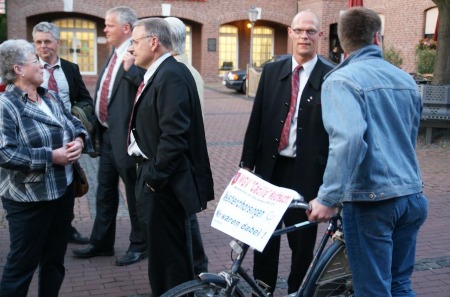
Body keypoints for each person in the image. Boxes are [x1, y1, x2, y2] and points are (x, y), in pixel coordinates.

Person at [307, 7, 428, 296]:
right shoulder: (406, 80)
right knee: (399, 284)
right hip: (411, 196)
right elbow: (408, 137)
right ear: (377, 37)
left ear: (342, 42)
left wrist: (328, 197)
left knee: (372, 290)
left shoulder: (341, 80)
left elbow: (348, 139)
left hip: (372, 201)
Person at [239, 10, 333, 294]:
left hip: (307, 173)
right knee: (263, 236)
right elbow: (256, 120)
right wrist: (246, 165)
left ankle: (297, 290)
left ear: (319, 36)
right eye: (300, 30)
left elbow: (334, 134)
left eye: (311, 31)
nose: (305, 36)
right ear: (290, 33)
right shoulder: (271, 71)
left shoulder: (331, 76)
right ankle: (263, 288)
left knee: (302, 241)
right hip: (270, 169)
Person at [127, 17, 214, 296]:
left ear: (154, 42)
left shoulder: (171, 74)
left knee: (170, 262)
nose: (131, 48)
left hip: (163, 185)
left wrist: (153, 180)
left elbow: (174, 137)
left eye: (135, 42)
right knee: (164, 257)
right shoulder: (161, 72)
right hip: (157, 179)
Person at [0, 39, 92, 297]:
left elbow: (74, 123)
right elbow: (4, 152)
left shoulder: (49, 96)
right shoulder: (5, 106)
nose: (42, 65)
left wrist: (79, 140)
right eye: (35, 60)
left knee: (54, 261)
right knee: (22, 266)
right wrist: (51, 156)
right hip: (29, 200)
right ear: (18, 69)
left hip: (62, 193)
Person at [72, 6, 147, 266]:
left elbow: (146, 86)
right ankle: (102, 242)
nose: (104, 29)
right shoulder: (114, 53)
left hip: (127, 140)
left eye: (109, 25)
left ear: (125, 28)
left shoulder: (136, 53)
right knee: (104, 192)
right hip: (106, 137)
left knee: (134, 194)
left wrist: (131, 67)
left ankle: (140, 244)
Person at [32, 21, 93, 245]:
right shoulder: (29, 69)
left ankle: (66, 228)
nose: (42, 46)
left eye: (47, 41)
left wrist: (79, 121)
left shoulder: (70, 69)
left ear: (57, 43)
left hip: (67, 139)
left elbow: (85, 99)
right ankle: (41, 231)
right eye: (38, 42)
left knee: (68, 186)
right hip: (38, 140)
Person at [164, 16, 209, 275]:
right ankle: (194, 268)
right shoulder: (183, 70)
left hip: (181, 161)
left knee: (186, 219)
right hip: (181, 159)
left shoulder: (179, 74)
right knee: (184, 218)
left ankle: (196, 270)